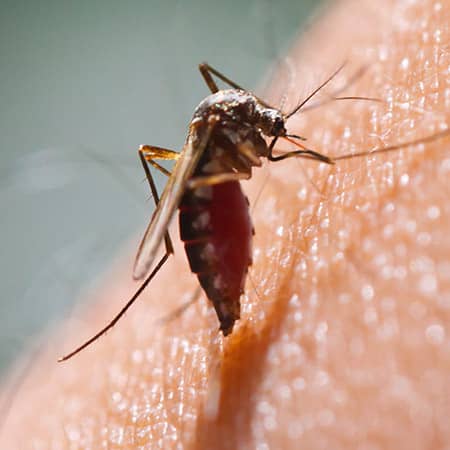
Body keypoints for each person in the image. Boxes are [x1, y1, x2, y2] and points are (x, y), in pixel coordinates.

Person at [2, 0, 449, 447]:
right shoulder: (223, 119)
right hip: (205, 198)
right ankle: (172, 255)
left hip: (212, 170)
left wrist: (261, 118)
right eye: (268, 122)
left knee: (187, 155)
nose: (274, 132)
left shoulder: (236, 115)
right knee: (167, 159)